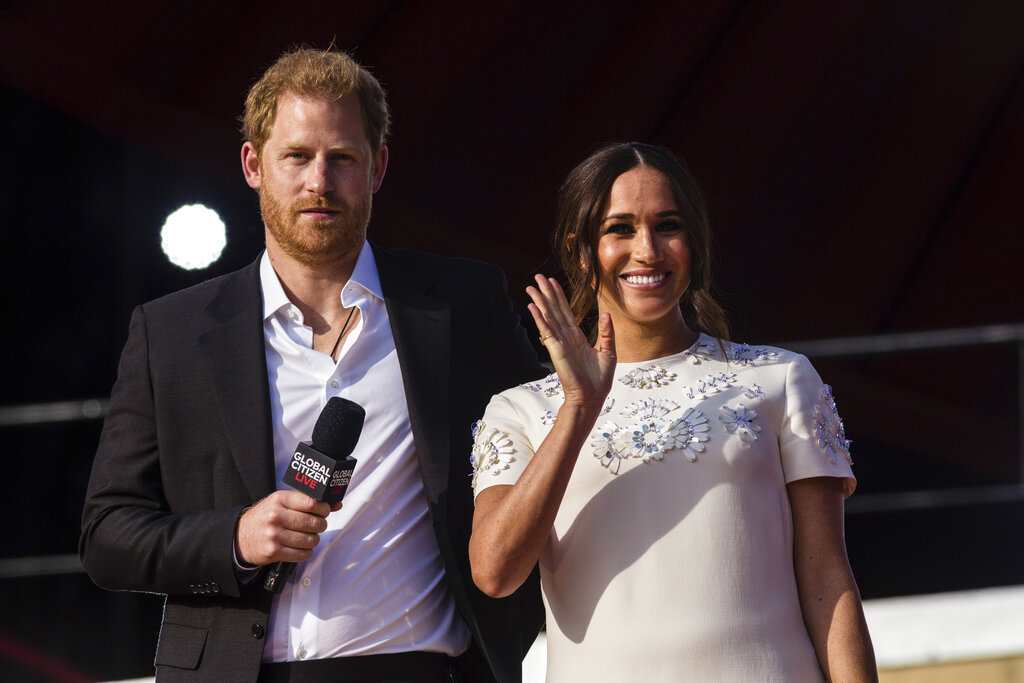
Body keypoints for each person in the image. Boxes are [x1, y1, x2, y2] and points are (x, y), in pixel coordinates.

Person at [80, 47, 545, 683]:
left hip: (424, 669)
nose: (319, 182)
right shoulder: (172, 333)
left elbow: (556, 448)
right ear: (254, 165)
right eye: (297, 157)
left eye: (342, 158)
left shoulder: (463, 308)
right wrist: (236, 539)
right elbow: (107, 536)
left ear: (378, 167)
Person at [468, 142, 878, 682]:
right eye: (619, 229)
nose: (647, 250)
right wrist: (580, 407)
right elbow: (495, 572)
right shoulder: (520, 410)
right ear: (580, 248)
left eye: (667, 225)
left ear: (695, 241)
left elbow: (828, 579)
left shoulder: (779, 379)